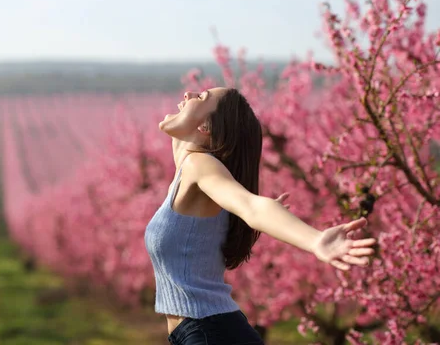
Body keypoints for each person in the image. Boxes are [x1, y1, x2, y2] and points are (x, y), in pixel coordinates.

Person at [144, 87, 377, 345]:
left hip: (210, 332)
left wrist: (315, 240)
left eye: (201, 97)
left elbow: (252, 207)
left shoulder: (199, 166)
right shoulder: (190, 178)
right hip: (202, 331)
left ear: (206, 128)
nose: (187, 94)